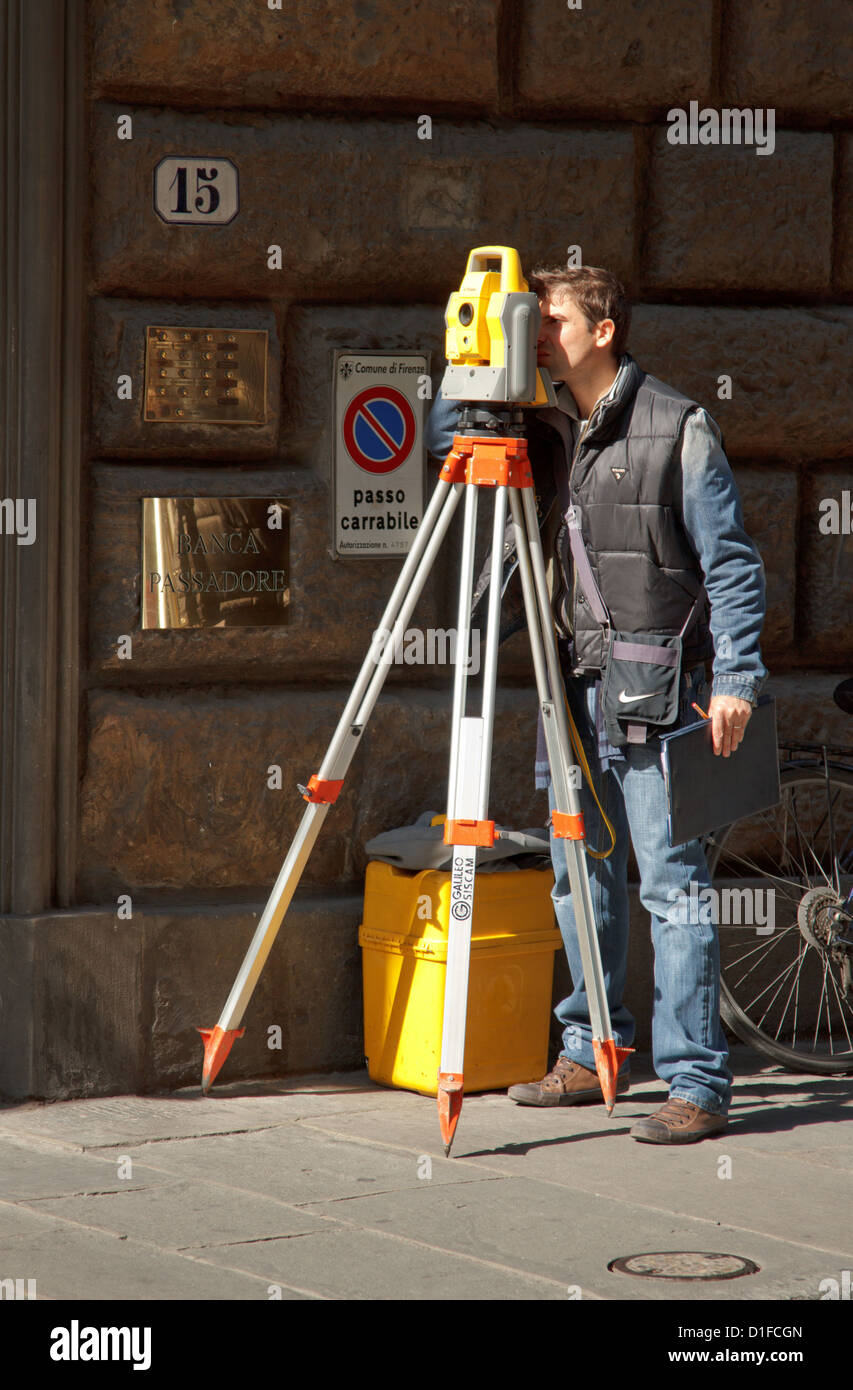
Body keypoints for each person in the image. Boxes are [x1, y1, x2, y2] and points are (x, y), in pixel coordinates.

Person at [425, 264, 767, 1144]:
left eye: (550, 322)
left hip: (659, 692)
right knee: (580, 886)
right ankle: (589, 1049)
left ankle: (694, 1083)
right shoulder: (540, 428)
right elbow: (440, 446)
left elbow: (729, 564)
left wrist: (735, 678)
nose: (536, 337)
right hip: (565, 688)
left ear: (603, 329)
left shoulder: (677, 425)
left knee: (673, 888)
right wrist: (467, 365)